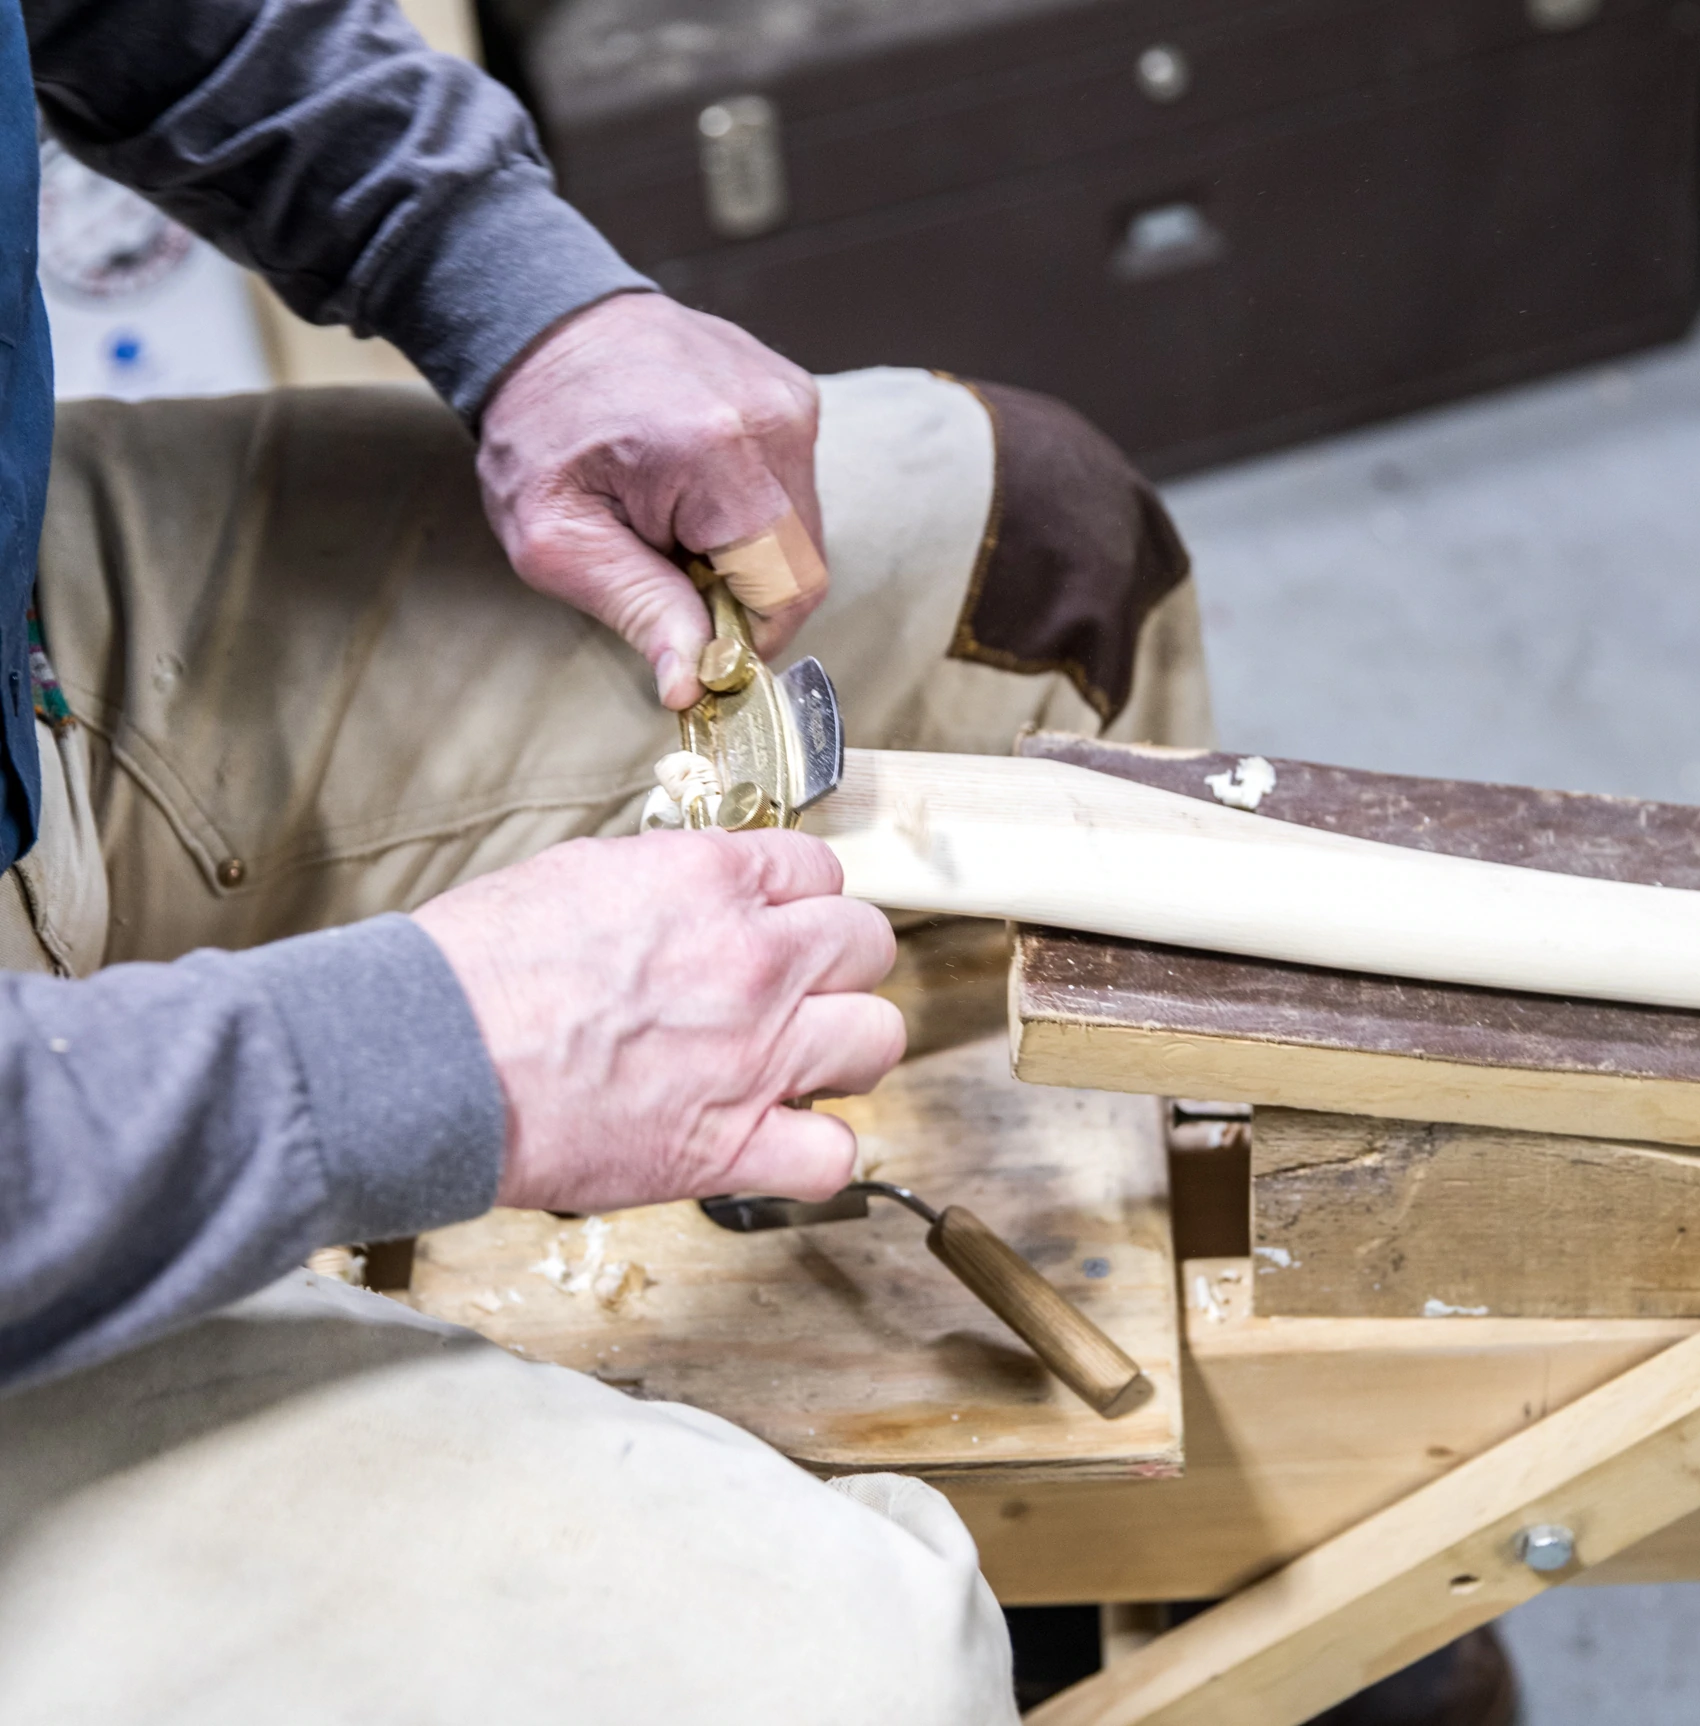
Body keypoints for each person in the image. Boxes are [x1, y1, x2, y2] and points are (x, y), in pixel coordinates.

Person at [0, 0, 1207, 1719]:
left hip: (24, 656)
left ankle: (1230, 1530)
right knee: (837, 1672)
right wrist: (409, 1056)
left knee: (1027, 549)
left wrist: (505, 277)